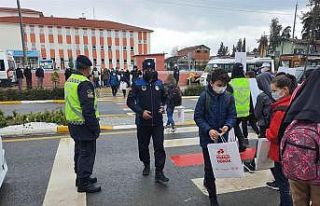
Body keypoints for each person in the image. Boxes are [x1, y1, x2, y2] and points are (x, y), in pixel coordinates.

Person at [194, 68, 236, 206]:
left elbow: (232, 115)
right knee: (209, 168)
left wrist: (227, 126)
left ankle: (208, 181)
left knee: (218, 166)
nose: (222, 88)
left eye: (224, 85)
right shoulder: (204, 97)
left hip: (223, 138)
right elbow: (198, 117)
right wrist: (208, 130)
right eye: (219, 85)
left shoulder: (229, 97)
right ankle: (213, 198)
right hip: (208, 139)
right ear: (211, 83)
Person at [279, 68, 320, 206]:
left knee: (299, 200)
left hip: (295, 164)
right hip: (317, 170)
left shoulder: (300, 93)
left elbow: (284, 125)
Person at [127, 59, 169, 183]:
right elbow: (130, 102)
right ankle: (146, 164)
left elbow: (165, 99)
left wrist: (164, 107)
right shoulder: (137, 83)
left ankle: (159, 172)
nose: (149, 71)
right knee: (143, 147)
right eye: (147, 70)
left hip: (157, 123)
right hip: (142, 123)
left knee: (159, 147)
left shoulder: (160, 84)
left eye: (151, 69)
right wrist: (141, 112)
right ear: (143, 70)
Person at [64, 55, 101, 193]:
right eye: (90, 68)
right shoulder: (84, 83)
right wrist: (95, 128)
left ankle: (80, 177)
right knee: (87, 153)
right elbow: (88, 109)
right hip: (84, 124)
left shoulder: (70, 80)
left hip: (73, 123)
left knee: (79, 151)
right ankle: (84, 183)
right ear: (86, 68)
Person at [266, 74, 297, 206]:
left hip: (279, 152)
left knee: (283, 186)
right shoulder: (295, 103)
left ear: (284, 90)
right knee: (289, 184)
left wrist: (267, 132)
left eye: (274, 90)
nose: (272, 93)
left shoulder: (280, 110)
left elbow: (273, 135)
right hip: (292, 151)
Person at [229, 63, 250, 152]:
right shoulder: (247, 81)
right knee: (236, 125)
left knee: (234, 126)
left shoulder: (231, 83)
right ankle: (242, 142)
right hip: (245, 109)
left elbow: (228, 97)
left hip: (235, 110)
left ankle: (241, 143)